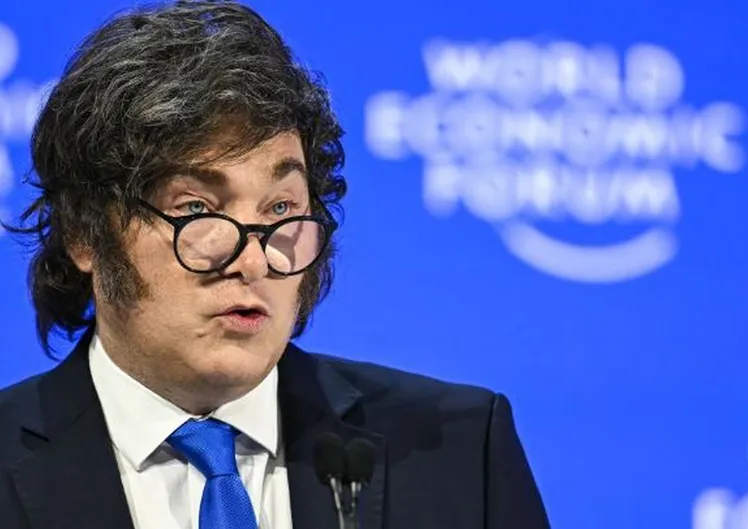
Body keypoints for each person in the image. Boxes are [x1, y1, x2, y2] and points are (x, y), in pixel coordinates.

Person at [0, 2, 550, 528]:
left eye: (281, 209)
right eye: (197, 209)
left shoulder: (458, 452)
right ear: (85, 234)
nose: (253, 259)